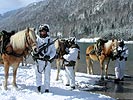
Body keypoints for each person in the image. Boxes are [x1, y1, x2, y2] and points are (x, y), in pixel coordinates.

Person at [34, 24, 56, 93]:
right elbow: (32, 49)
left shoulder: (50, 40)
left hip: (47, 61)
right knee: (38, 75)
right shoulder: (36, 40)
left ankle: (47, 88)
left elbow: (53, 51)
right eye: (41, 31)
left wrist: (49, 57)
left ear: (46, 31)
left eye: (44, 31)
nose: (42, 32)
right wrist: (34, 55)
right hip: (38, 60)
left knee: (47, 76)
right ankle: (38, 87)